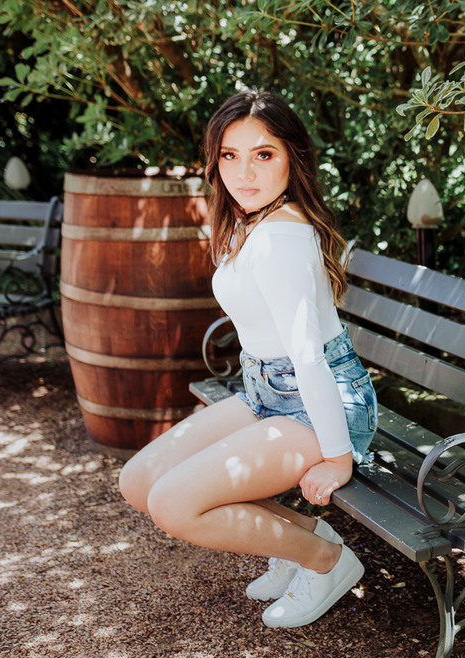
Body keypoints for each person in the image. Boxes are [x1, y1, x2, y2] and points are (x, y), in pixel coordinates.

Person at [119, 90, 377, 628]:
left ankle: (327, 561)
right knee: (140, 482)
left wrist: (336, 456)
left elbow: (308, 357)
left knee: (173, 505)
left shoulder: (281, 236)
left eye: (264, 154)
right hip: (267, 390)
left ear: (292, 158)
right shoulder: (251, 219)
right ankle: (304, 540)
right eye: (230, 156)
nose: (244, 172)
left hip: (318, 400)